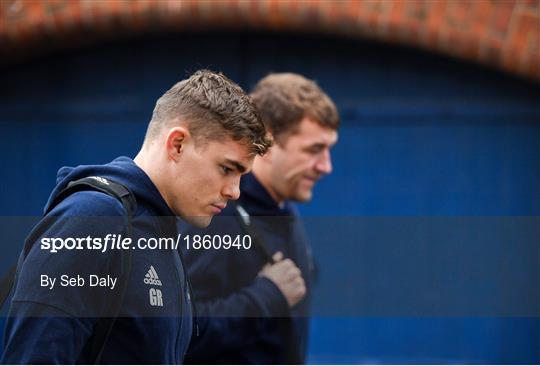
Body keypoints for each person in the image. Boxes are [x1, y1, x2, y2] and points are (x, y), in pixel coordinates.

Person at [1, 70, 271, 364]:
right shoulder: (94, 220)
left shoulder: (161, 230)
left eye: (242, 175)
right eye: (226, 169)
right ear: (177, 144)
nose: (235, 192)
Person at [183, 73, 339, 364]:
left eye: (329, 149)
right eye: (314, 150)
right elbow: (179, 330)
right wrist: (264, 298)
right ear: (266, 142)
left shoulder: (284, 213)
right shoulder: (218, 215)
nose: (326, 166)